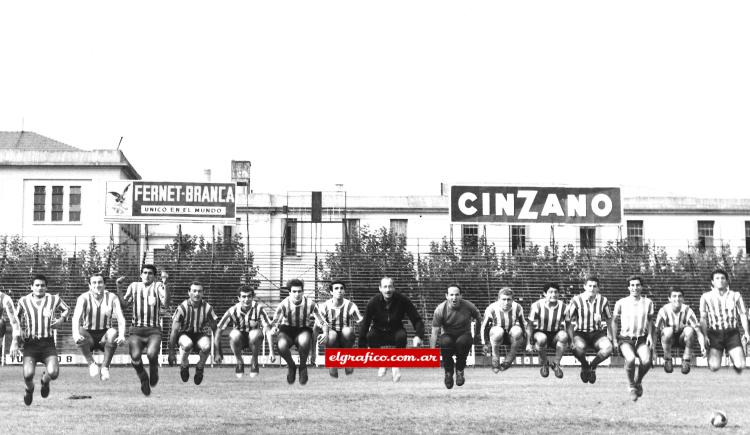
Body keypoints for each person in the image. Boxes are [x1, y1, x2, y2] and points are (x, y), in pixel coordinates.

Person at [16, 274, 70, 406]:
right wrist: (20, 330)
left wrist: (61, 320)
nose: (40, 288)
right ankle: (29, 389)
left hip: (47, 343)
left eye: (42, 285)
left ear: (46, 287)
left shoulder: (54, 299)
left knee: (54, 373)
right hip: (31, 344)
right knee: (28, 375)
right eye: (37, 285)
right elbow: (15, 318)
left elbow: (67, 309)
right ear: (32, 287)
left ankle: (45, 381)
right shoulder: (23, 301)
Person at [359, 276, 425, 383]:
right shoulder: (373, 302)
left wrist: (418, 335)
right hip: (378, 331)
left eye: (390, 286)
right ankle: (382, 362)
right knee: (370, 336)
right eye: (385, 287)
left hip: (396, 330)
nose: (388, 290)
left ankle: (395, 365)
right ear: (380, 288)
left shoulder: (403, 300)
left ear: (394, 288)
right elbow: (365, 323)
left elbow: (417, 319)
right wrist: (362, 347)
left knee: (402, 336)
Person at [116, 265, 169, 396]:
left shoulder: (158, 286)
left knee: (151, 354)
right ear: (140, 275)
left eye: (150, 273)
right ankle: (143, 377)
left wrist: (166, 285)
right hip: (136, 331)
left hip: (153, 331)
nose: (147, 275)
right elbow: (124, 304)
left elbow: (166, 303)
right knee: (134, 357)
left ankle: (154, 369)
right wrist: (119, 287)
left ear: (154, 276)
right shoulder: (133, 286)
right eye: (144, 273)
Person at [269, 279, 328, 385]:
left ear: (303, 291)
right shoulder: (283, 305)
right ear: (289, 292)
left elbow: (322, 321)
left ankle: (302, 367)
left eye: (299, 291)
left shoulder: (311, 304)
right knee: (281, 345)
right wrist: (274, 328)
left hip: (302, 329)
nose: (297, 294)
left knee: (305, 341)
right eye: (294, 291)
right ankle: (291, 366)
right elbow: (274, 323)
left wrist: (325, 333)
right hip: (287, 330)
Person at [71, 273, 127, 381]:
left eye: (100, 282)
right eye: (94, 283)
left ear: (105, 284)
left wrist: (122, 335)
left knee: (113, 332)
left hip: (104, 336)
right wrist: (75, 335)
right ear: (90, 285)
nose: (97, 285)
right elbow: (76, 318)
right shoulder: (83, 298)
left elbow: (121, 318)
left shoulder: (112, 297)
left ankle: (105, 368)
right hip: (88, 336)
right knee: (79, 330)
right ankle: (91, 364)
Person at [215, 285, 275, 378]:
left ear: (252, 297)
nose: (246, 299)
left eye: (249, 296)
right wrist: (217, 352)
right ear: (238, 298)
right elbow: (219, 330)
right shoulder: (232, 310)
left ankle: (254, 362)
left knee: (255, 333)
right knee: (233, 334)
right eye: (243, 296)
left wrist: (271, 351)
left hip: (254, 339)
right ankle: (239, 362)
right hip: (239, 340)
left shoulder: (259, 309)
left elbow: (267, 330)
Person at [611, 275, 655, 401]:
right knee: (630, 359)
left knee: (646, 361)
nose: (635, 288)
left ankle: (638, 381)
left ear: (641, 287)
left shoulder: (648, 303)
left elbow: (650, 321)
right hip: (625, 339)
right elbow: (614, 321)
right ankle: (631, 386)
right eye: (632, 285)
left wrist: (650, 336)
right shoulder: (621, 302)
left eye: (637, 285)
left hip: (641, 338)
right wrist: (614, 340)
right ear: (628, 287)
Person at [430, 284, 481, 389]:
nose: (454, 297)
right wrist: (432, 350)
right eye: (451, 295)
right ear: (446, 296)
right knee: (445, 342)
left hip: (464, 334)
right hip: (448, 335)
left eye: (457, 295)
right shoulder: (440, 310)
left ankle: (460, 370)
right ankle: (448, 373)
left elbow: (479, 318)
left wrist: (477, 335)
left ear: (461, 296)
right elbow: (435, 331)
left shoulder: (469, 306)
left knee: (463, 342)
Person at [167, 281, 218, 385]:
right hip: (184, 334)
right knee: (187, 344)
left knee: (207, 345)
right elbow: (174, 331)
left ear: (203, 293)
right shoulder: (182, 308)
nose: (197, 294)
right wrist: (171, 352)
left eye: (199, 291)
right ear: (189, 292)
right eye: (194, 291)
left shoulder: (208, 308)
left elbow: (215, 329)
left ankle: (200, 367)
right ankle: (184, 364)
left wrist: (218, 350)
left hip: (200, 334)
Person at [699, 268, 749, 373]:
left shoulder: (736, 295)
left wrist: (747, 332)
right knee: (714, 367)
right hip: (715, 334)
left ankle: (734, 355)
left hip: (732, 333)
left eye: (723, 278)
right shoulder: (706, 297)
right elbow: (703, 318)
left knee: (740, 365)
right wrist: (705, 336)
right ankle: (714, 354)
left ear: (726, 281)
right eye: (717, 278)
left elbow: (743, 315)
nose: (720, 280)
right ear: (712, 281)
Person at [566, 276, 614, 384]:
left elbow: (609, 319)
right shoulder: (576, 300)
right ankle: (584, 365)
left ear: (598, 288)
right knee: (577, 348)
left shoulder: (603, 300)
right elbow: (568, 321)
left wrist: (610, 335)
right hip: (580, 333)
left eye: (594, 286)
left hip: (597, 333)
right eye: (589, 286)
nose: (592, 288)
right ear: (584, 287)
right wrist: (570, 338)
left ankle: (592, 366)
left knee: (608, 348)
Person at [317, 280, 363, 378]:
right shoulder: (324, 306)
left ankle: (347, 359)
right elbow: (316, 327)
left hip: (344, 339)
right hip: (332, 340)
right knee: (332, 334)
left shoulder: (350, 306)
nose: (339, 291)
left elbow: (361, 324)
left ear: (344, 291)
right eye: (336, 288)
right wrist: (313, 350)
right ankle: (333, 363)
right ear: (331, 292)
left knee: (348, 330)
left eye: (341, 288)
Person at [656, 288, 705, 374]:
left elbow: (698, 331)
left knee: (689, 330)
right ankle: (667, 358)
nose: (677, 299)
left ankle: (686, 360)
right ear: (669, 298)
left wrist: (703, 346)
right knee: (668, 331)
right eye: (674, 296)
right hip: (668, 340)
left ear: (683, 299)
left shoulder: (688, 311)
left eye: (679, 296)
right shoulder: (663, 310)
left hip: (682, 339)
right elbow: (656, 331)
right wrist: (652, 348)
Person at [525, 283, 569, 379]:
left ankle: (556, 364)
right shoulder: (536, 305)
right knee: (541, 338)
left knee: (564, 336)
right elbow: (530, 325)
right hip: (540, 332)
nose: (553, 294)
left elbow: (568, 324)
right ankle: (545, 364)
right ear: (545, 294)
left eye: (556, 292)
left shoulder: (564, 307)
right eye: (550, 292)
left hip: (555, 334)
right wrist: (528, 343)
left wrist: (572, 341)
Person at [481, 287, 526, 373]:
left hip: (511, 335)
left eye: (509, 299)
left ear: (512, 300)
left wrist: (527, 341)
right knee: (498, 331)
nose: (506, 302)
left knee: (517, 330)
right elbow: (484, 326)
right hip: (496, 335)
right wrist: (485, 343)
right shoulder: (491, 308)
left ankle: (508, 360)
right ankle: (495, 360)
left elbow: (523, 324)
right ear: (498, 299)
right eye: (503, 299)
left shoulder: (518, 307)